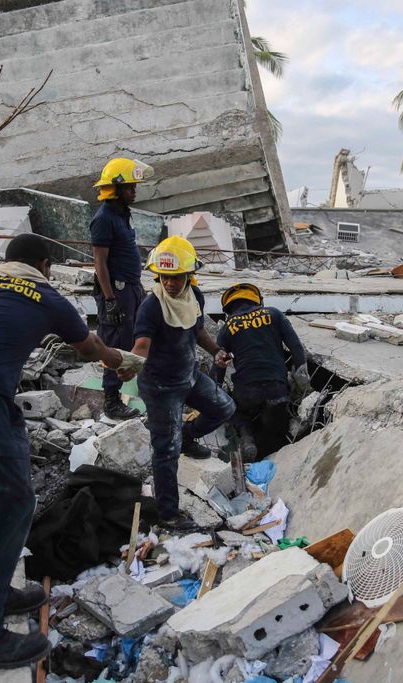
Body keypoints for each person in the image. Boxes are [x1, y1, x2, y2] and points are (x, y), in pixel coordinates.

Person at [0, 233, 142, 672]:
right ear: (45, 264)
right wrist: (120, 361)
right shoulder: (45, 294)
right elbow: (89, 347)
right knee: (9, 502)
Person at [120, 236, 235, 531]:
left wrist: (217, 352)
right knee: (166, 450)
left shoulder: (193, 297)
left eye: (176, 277)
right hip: (160, 388)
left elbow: (197, 332)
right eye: (165, 278)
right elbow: (142, 344)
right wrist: (131, 365)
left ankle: (187, 436)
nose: (170, 284)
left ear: (188, 275)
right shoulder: (151, 307)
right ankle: (168, 514)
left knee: (224, 408)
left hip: (189, 375)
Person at [214, 283, 310, 460]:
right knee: (277, 426)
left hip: (246, 392)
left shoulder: (227, 328)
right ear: (257, 301)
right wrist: (303, 381)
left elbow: (219, 366)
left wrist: (216, 392)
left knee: (235, 408)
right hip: (277, 387)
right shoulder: (274, 314)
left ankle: (246, 435)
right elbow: (296, 348)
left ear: (229, 309)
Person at [90, 158, 153, 422]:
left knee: (132, 341)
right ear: (115, 189)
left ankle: (139, 393)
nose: (134, 191)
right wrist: (110, 299)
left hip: (131, 288)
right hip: (116, 291)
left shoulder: (122, 215)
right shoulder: (104, 218)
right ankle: (112, 402)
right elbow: (100, 263)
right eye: (129, 187)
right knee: (114, 344)